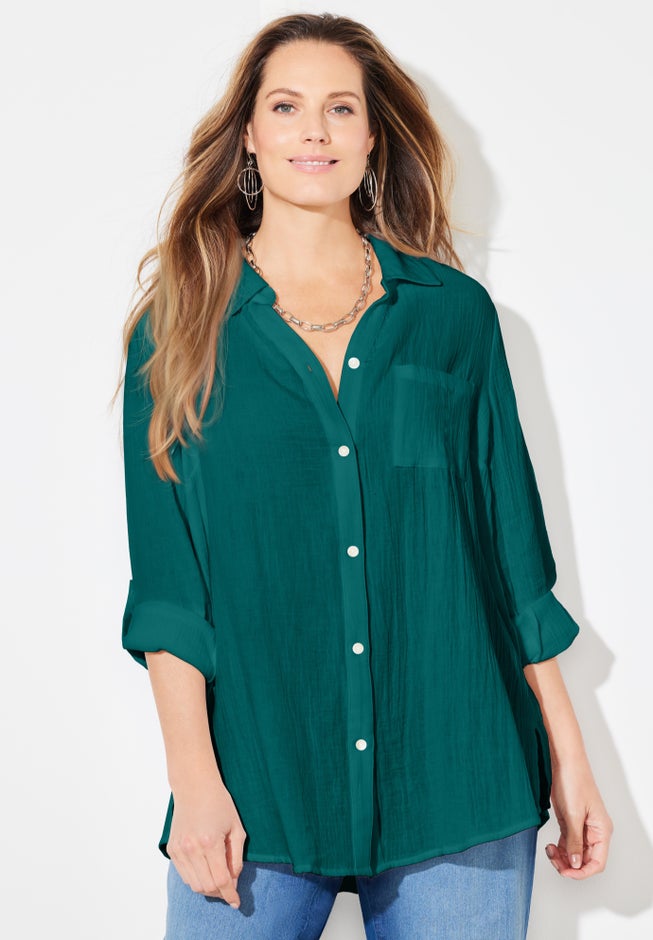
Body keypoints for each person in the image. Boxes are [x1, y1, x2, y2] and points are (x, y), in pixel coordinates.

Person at [118, 12, 613, 940]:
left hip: (457, 770)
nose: (314, 130)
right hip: (258, 779)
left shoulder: (453, 317)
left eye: (340, 108)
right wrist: (194, 782)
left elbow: (510, 558)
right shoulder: (180, 328)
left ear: (373, 135)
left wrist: (571, 758)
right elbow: (171, 591)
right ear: (249, 135)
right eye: (286, 106)